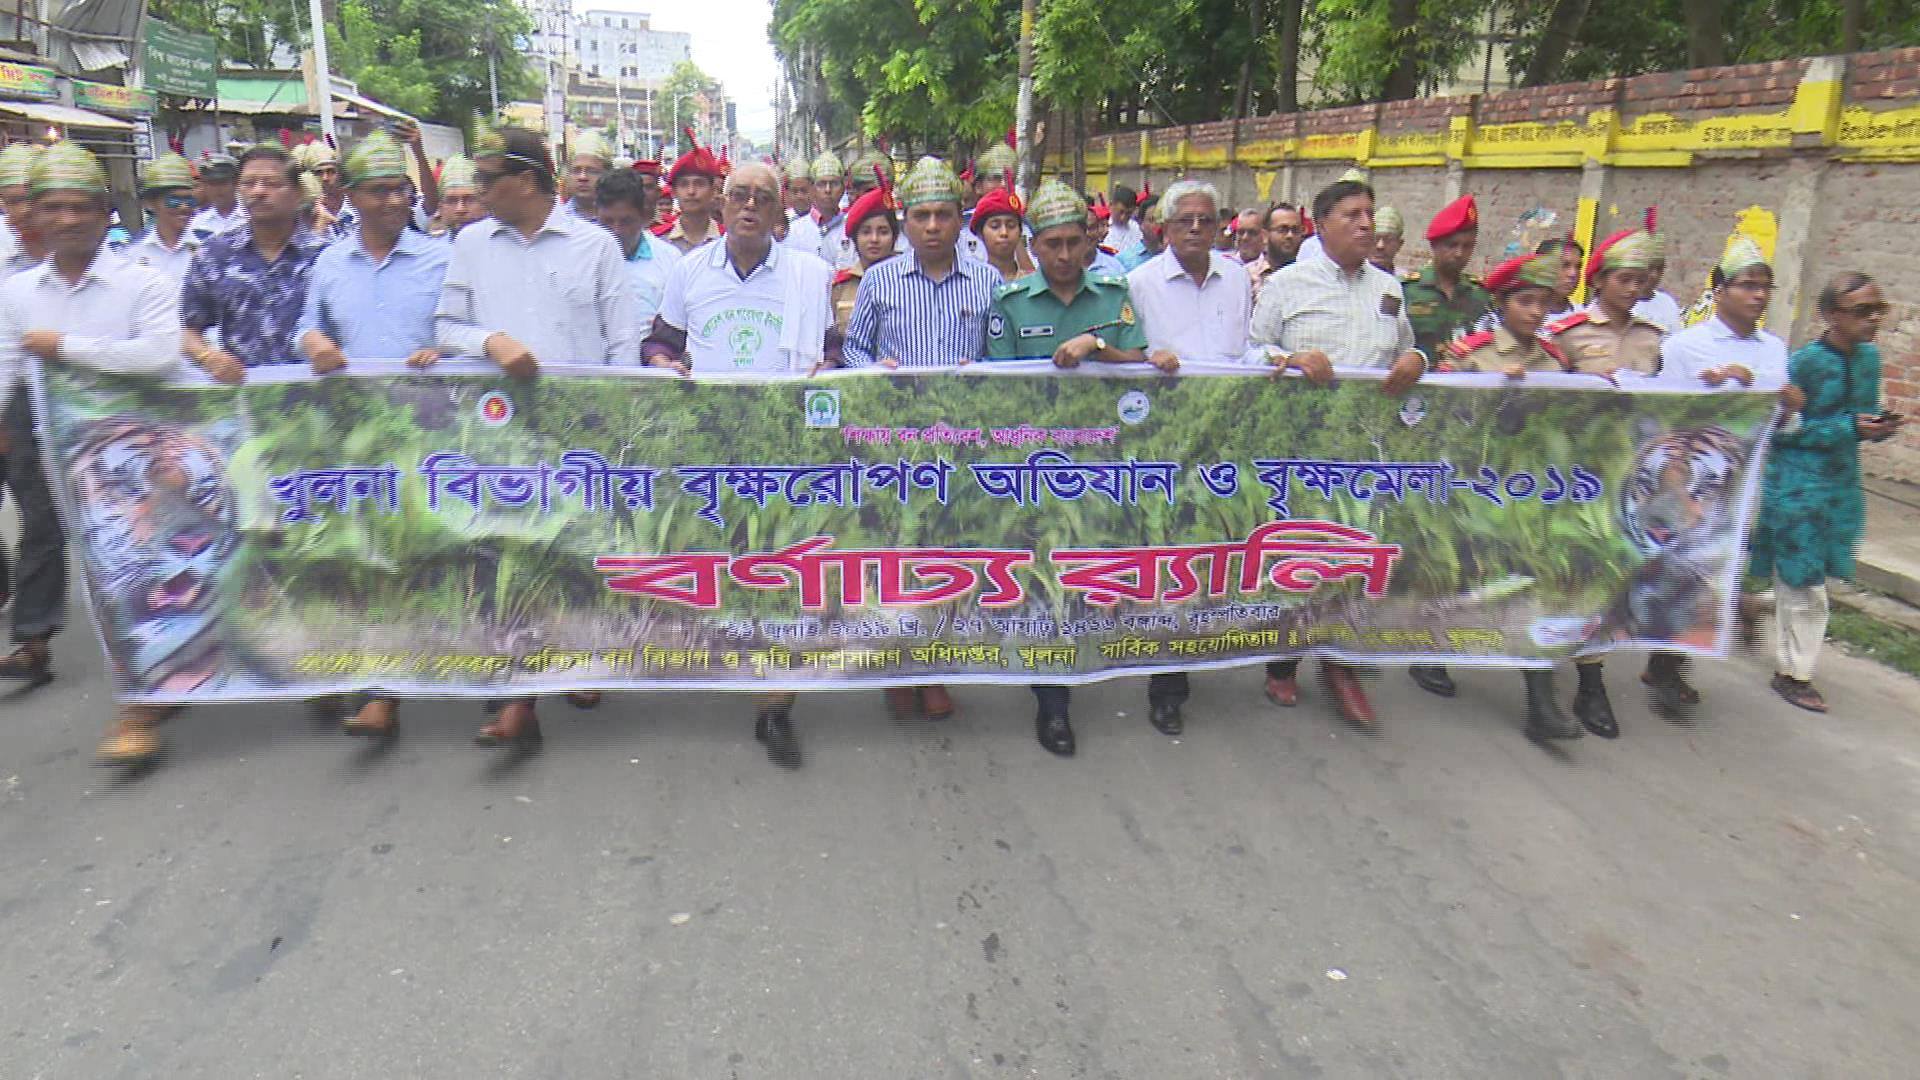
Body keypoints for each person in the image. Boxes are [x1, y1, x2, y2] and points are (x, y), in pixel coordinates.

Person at [436, 125, 637, 748]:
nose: (478, 191)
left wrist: (622, 419)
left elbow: (622, 341)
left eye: (490, 180)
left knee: (576, 552)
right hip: (499, 428)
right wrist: (489, 341)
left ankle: (581, 661)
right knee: (510, 551)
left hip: (581, 430)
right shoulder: (471, 243)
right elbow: (445, 323)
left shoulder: (597, 247)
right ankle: (520, 696)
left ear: (527, 181)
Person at [642, 161, 836, 767]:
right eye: (740, 196)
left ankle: (773, 704)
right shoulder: (689, 271)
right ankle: (731, 666)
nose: (750, 206)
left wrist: (829, 370)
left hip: (788, 447)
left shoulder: (811, 273)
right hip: (714, 449)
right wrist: (658, 364)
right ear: (723, 206)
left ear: (781, 212)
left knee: (779, 566)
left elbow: (832, 349)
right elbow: (661, 340)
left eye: (764, 198)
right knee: (729, 565)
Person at [0, 143, 182, 763]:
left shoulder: (143, 284)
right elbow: (6, 369)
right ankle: (139, 700)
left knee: (153, 570)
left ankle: (154, 691)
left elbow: (158, 356)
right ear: (36, 216)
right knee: (102, 577)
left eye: (82, 207)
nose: (70, 219)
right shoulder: (19, 293)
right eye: (55, 207)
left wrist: (66, 347)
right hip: (66, 460)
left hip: (147, 458)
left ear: (107, 213)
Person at [1249, 176, 1426, 734]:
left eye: (1369, 214)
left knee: (1355, 558)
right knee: (1300, 553)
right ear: (1320, 224)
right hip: (1300, 448)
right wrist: (1291, 356)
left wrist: (1417, 358)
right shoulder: (1286, 284)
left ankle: (1341, 664)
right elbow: (1250, 353)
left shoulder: (1388, 288)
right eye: (1352, 214)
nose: (1366, 224)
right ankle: (1283, 659)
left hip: (1367, 451)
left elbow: (1406, 346)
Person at [294, 130, 452, 742]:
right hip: (360, 432)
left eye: (401, 191)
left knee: (441, 552)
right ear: (351, 194)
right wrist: (314, 343)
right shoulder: (331, 262)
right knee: (371, 553)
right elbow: (309, 323)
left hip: (439, 431)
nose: (392, 202)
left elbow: (467, 327)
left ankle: (475, 670)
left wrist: (443, 348)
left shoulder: (442, 259)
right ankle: (384, 685)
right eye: (379, 191)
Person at [984, 180, 1149, 757]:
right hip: (1035, 465)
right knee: (1047, 577)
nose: (1062, 255)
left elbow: (1139, 358)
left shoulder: (1113, 291)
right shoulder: (1009, 304)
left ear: (1089, 243)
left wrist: (1096, 348)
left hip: (1107, 463)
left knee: (1097, 574)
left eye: (1073, 243)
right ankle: (1053, 703)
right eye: (1050, 243)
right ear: (1034, 244)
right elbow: (997, 391)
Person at [842, 156, 999, 723]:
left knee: (950, 556)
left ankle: (935, 666)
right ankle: (895, 663)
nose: (932, 226)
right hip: (894, 446)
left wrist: (981, 369)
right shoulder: (880, 279)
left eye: (944, 215)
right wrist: (877, 369)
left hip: (963, 444)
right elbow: (853, 349)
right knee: (898, 552)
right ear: (905, 223)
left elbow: (1005, 358)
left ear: (961, 221)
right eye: (922, 216)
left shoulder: (988, 281)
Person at [1434, 253, 1586, 743]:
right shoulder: (1469, 353)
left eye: (1544, 302)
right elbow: (1443, 421)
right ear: (1501, 304)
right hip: (1473, 488)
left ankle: (1542, 702)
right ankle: (1427, 654)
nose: (1537, 312)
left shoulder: (1557, 360)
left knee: (1537, 586)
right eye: (1526, 301)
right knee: (1457, 578)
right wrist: (1494, 396)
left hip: (1532, 493)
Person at [1120, 178, 1253, 736]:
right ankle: (1165, 680)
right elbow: (1124, 357)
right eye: (1185, 221)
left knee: (1211, 552)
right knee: (1167, 557)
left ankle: (1194, 653)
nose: (1197, 229)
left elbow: (1245, 349)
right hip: (1162, 442)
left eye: (1206, 219)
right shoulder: (1139, 283)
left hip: (1222, 439)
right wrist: (1151, 357)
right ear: (1164, 229)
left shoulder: (1238, 277)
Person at [1751, 272, 1898, 713]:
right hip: (1796, 484)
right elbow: (1779, 430)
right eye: (1861, 311)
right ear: (1831, 316)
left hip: (1840, 483)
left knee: (1808, 575)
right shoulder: (1805, 364)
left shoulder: (1869, 359)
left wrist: (1875, 428)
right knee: (1808, 583)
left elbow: (1860, 415)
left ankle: (1754, 606)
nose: (1872, 319)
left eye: (1878, 309)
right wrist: (1847, 427)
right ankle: (1795, 673)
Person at [1541, 228, 1668, 734]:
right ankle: (1553, 675)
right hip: (1570, 474)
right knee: (1565, 573)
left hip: (1627, 475)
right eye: (1623, 278)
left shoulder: (1653, 338)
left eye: (1641, 279)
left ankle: (1589, 679)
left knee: (1608, 577)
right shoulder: (1566, 332)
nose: (1632, 287)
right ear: (1599, 280)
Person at [181, 143, 330, 376]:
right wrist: (208, 357)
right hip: (243, 397)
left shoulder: (326, 257)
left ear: (297, 193)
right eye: (248, 183)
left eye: (272, 184)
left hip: (316, 399)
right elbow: (189, 331)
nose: (258, 192)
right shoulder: (213, 255)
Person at [1659, 238, 1786, 390]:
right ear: (1719, 293)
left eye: (1766, 287)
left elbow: (1780, 411)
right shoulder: (1681, 346)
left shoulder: (1775, 347)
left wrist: (1790, 407)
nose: (1760, 295)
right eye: (1748, 286)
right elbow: (1664, 409)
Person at [1401, 195, 1490, 360]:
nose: (1459, 253)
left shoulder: (1481, 294)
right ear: (1434, 245)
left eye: (1467, 246)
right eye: (1452, 245)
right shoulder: (1407, 290)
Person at [595, 165, 682, 332]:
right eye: (607, 222)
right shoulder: (581, 259)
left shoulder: (670, 260)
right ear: (596, 214)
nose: (616, 231)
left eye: (626, 221)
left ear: (643, 215)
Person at [118, 152, 199, 291]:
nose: (184, 207)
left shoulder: (210, 246)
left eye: (189, 200)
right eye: (174, 200)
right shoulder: (130, 253)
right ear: (150, 203)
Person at [831, 181, 901, 333]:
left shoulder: (909, 282)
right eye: (866, 232)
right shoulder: (841, 287)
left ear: (894, 237)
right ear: (855, 237)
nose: (874, 239)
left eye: (883, 232)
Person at [663, 135, 725, 252]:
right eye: (684, 184)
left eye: (699, 184)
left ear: (713, 190)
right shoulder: (658, 240)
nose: (691, 191)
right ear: (674, 192)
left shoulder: (728, 240)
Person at [970, 184, 1033, 281]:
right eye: (995, 226)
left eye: (1011, 226)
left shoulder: (1032, 282)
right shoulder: (972, 282)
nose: (1004, 232)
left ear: (1020, 232)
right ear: (980, 233)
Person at [1247, 202, 1306, 301]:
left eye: (1295, 230)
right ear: (1265, 235)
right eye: (1283, 229)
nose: (1290, 235)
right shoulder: (1247, 276)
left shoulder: (1308, 277)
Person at [187, 153, 244, 243]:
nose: (217, 189)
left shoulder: (252, 217)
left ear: (235, 183)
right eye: (211, 184)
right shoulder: (196, 223)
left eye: (222, 183)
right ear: (204, 185)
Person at [1634, 232, 1684, 335]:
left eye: (1659, 269)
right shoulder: (1619, 303)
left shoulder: (1667, 302)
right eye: (1650, 267)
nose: (1654, 275)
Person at [561, 129, 613, 223]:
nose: (582, 177)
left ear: (607, 174)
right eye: (576, 170)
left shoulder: (618, 220)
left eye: (592, 171)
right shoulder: (557, 219)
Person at [432, 155, 488, 237]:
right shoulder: (428, 248)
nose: (460, 209)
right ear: (440, 208)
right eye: (451, 201)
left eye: (470, 200)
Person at [1115, 195, 1164, 270]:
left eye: (1161, 219)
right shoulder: (1124, 260)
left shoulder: (1179, 257)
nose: (1159, 225)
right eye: (1152, 220)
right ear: (1140, 223)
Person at [1106, 184, 1143, 254]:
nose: (1123, 217)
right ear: (1111, 205)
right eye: (1120, 212)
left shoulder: (1137, 230)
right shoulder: (1099, 228)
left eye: (1128, 213)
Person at [1369, 205, 1405, 273]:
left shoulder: (1403, 280)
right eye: (1375, 238)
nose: (1380, 246)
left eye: (1388, 240)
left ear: (1399, 245)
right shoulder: (1348, 278)